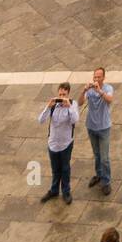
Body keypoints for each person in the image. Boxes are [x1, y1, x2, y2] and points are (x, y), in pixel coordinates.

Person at [38, 82, 79, 205]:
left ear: (68, 94)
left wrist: (69, 108)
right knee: (55, 169)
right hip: (53, 143)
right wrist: (48, 107)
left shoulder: (72, 104)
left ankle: (66, 191)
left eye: (64, 94)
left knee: (65, 168)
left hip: (66, 144)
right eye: (60, 94)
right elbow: (40, 120)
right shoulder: (53, 106)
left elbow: (75, 120)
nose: (61, 96)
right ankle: (54, 190)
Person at [80, 67, 114, 196]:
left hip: (104, 127)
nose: (96, 79)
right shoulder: (89, 90)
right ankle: (99, 175)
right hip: (91, 127)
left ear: (103, 78)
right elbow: (79, 102)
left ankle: (106, 182)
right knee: (97, 154)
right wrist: (84, 90)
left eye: (99, 77)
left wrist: (99, 91)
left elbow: (110, 99)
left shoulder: (108, 88)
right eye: (95, 77)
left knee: (105, 158)